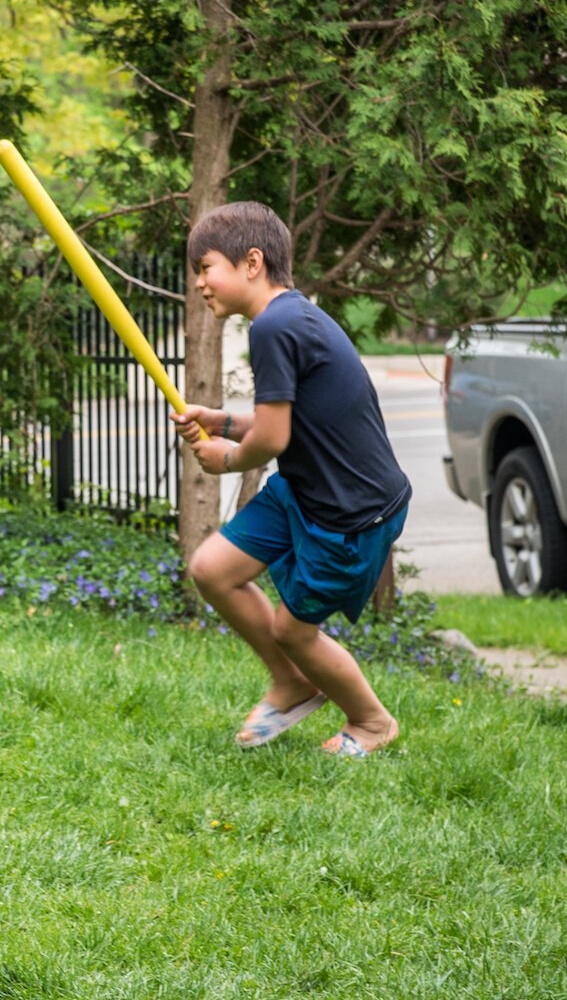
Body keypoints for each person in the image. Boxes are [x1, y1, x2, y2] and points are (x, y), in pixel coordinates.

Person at [170, 201, 411, 758]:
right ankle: (294, 682)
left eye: (206, 268)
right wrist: (222, 421)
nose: (201, 283)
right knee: (212, 570)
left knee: (292, 630)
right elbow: (293, 422)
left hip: (349, 512)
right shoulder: (290, 317)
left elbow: (273, 439)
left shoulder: (275, 326)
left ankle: (372, 722)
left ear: (251, 262)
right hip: (304, 491)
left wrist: (227, 458)